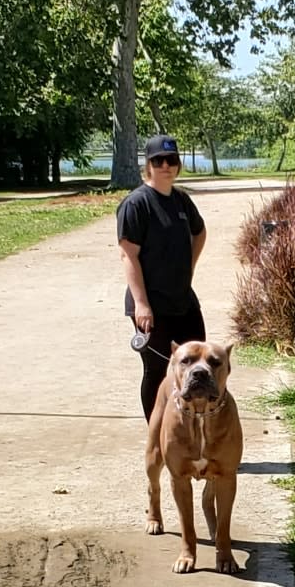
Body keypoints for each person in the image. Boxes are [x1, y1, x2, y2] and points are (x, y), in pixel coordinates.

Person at [117, 133, 207, 420]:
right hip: (152, 305)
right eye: (158, 161)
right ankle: (157, 432)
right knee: (156, 370)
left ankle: (190, 427)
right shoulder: (136, 204)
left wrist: (187, 268)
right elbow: (128, 255)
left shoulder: (180, 200)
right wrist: (142, 304)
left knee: (197, 365)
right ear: (149, 165)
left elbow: (199, 232)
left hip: (183, 301)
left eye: (171, 160)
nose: (165, 166)